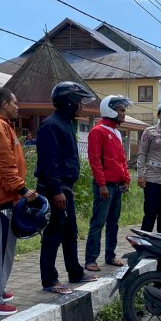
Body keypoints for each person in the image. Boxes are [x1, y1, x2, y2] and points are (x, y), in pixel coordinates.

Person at [0, 87, 38, 316]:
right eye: (14, 102)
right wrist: (22, 190)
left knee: (5, 250)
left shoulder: (3, 127)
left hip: (7, 199)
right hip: (2, 200)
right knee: (0, 251)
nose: (17, 106)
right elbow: (4, 166)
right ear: (4, 104)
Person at [36, 81, 98, 294]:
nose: (81, 106)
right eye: (79, 102)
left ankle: (75, 272)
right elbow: (48, 162)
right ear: (69, 102)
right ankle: (49, 280)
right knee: (53, 234)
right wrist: (56, 191)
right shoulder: (51, 125)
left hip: (65, 188)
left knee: (70, 232)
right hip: (55, 189)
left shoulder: (64, 124)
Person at [84, 95, 132, 272]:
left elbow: (122, 159)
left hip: (117, 186)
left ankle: (110, 255)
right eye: (121, 110)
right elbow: (95, 160)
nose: (124, 114)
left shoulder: (117, 132)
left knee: (114, 222)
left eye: (124, 110)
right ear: (110, 110)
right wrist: (102, 184)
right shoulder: (98, 131)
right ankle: (90, 259)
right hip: (104, 186)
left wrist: (126, 179)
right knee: (98, 222)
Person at [137, 102, 161, 233]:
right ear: (159, 115)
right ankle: (143, 245)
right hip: (152, 178)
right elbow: (142, 154)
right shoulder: (150, 132)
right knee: (150, 213)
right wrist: (141, 174)